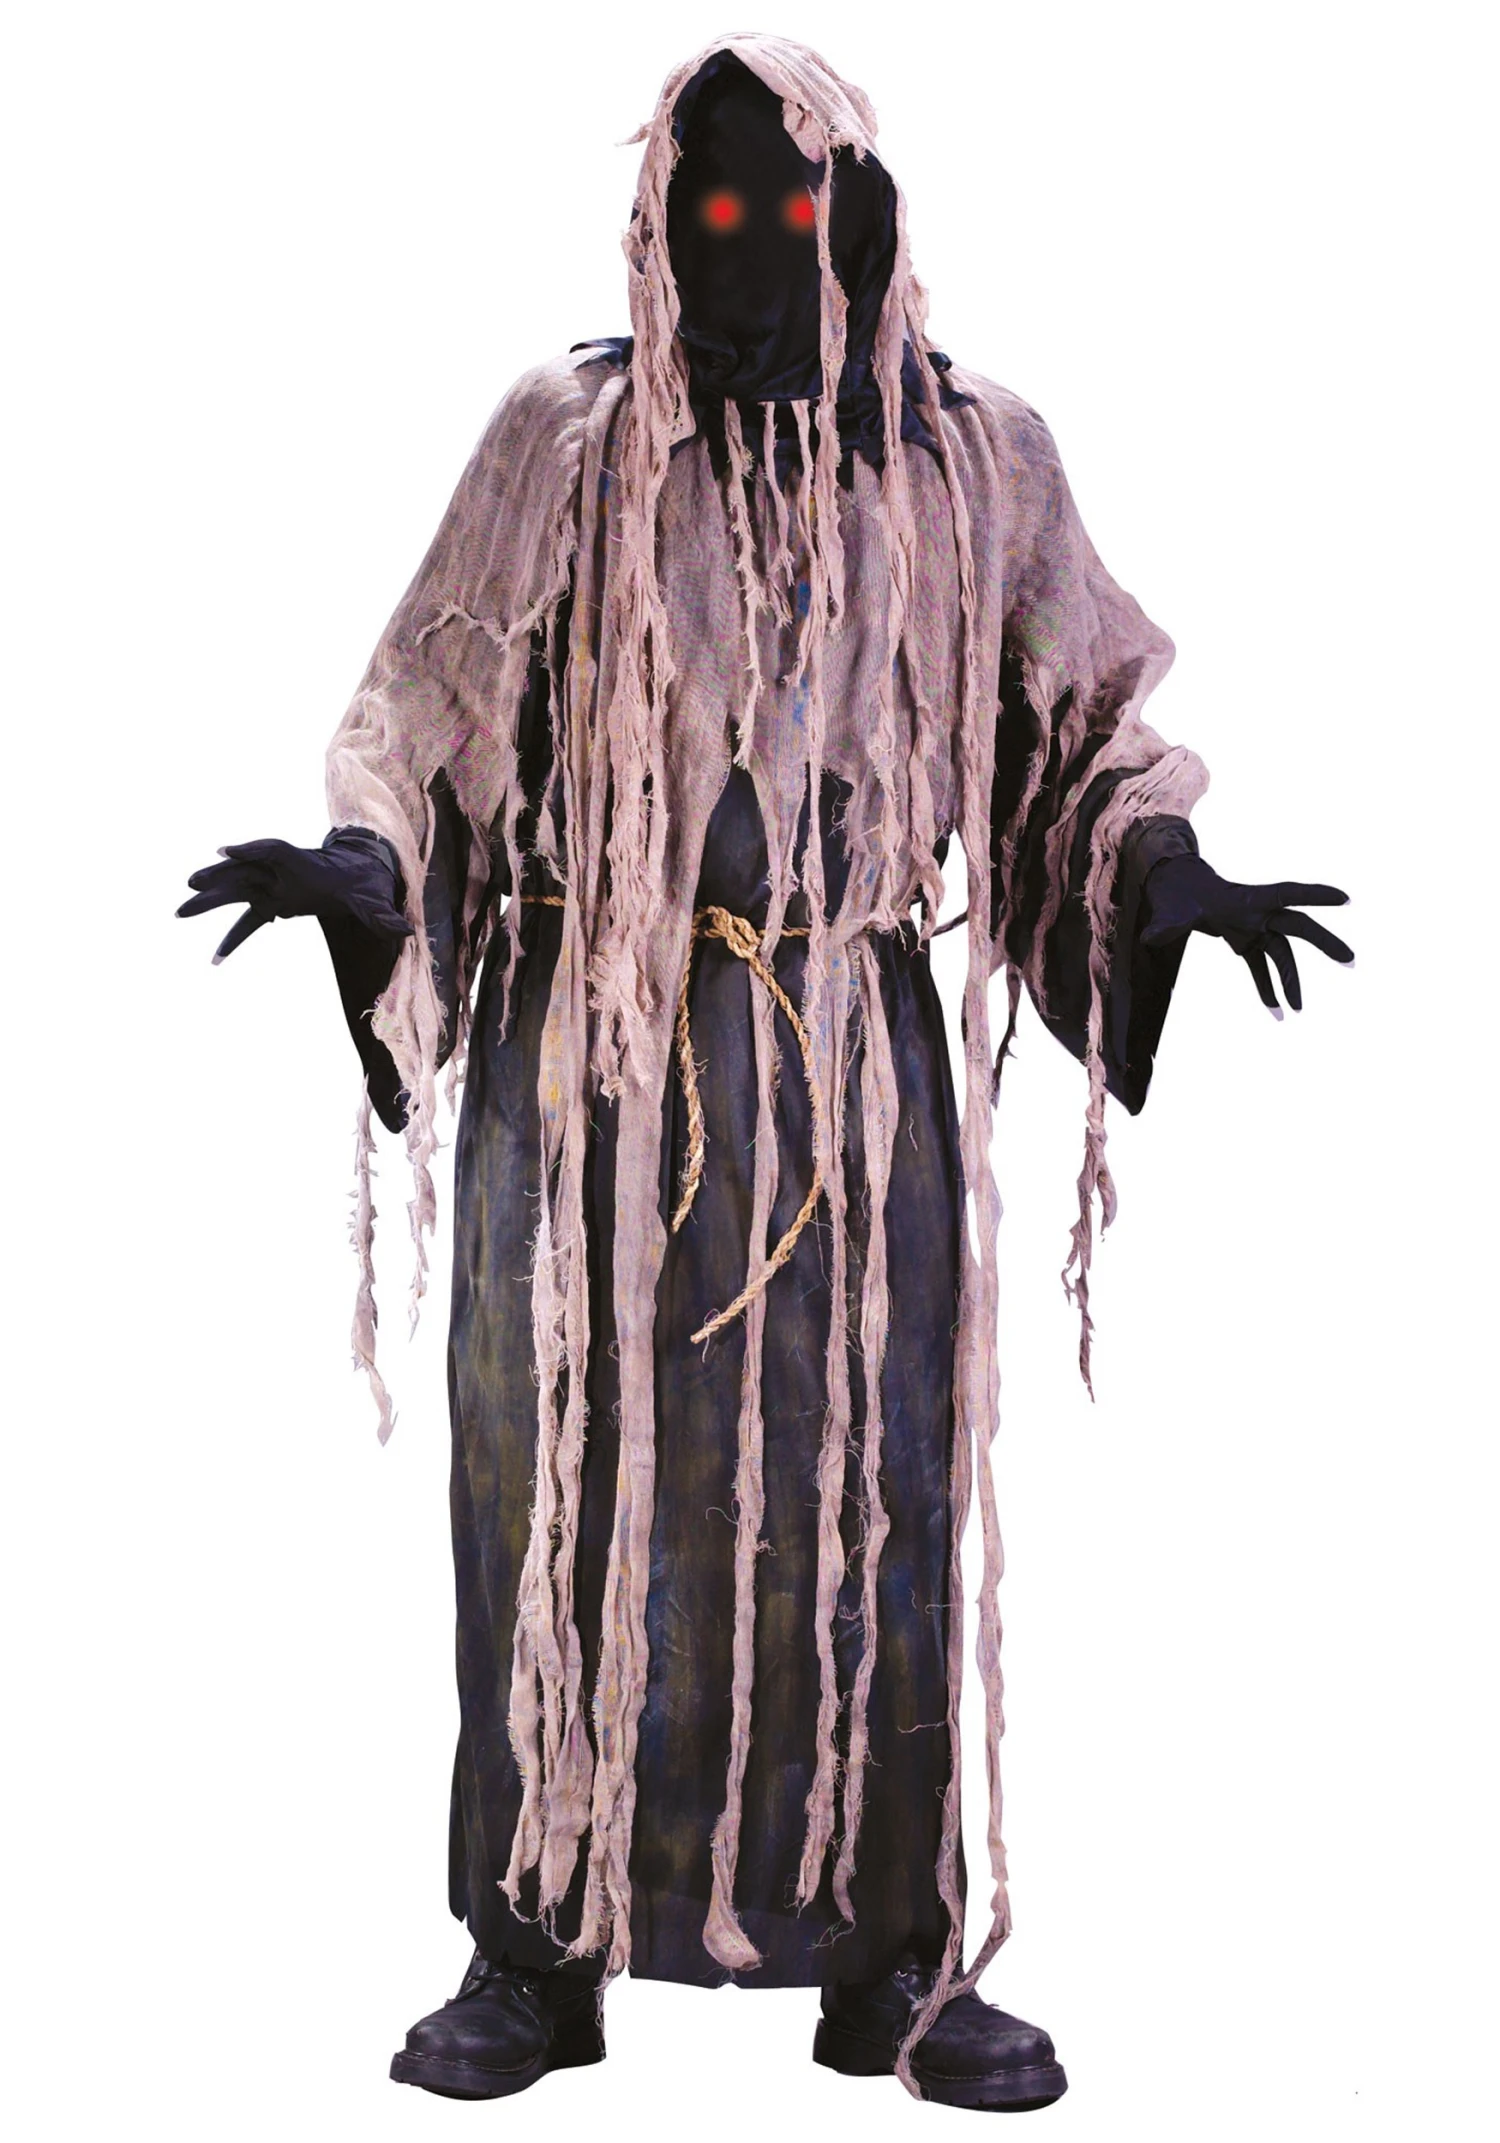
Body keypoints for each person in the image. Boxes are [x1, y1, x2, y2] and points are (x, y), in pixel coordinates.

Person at [179, 32, 1351, 2115]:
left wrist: (1159, 875)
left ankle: (892, 1956)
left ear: (862, 218)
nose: (750, 243)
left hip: (847, 1070)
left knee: (866, 1497)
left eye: (790, 206)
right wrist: (371, 869)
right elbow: (433, 712)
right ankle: (536, 1939)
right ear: (658, 221)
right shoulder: (564, 445)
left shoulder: (971, 460)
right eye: (709, 206)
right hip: (589, 1055)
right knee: (560, 1482)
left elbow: (1073, 722)